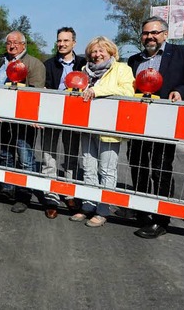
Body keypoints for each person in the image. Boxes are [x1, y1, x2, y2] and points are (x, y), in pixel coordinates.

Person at [127, 16, 184, 239]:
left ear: (165, 34)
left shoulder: (182, 54)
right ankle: (141, 210)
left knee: (160, 169)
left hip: (165, 122)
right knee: (137, 165)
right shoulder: (133, 60)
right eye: (145, 33)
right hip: (138, 123)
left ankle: (161, 219)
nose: (149, 37)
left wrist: (181, 91)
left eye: (154, 33)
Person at [69, 37, 135, 227]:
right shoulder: (84, 71)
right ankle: (88, 205)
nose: (97, 55)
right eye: (93, 52)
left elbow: (127, 91)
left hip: (109, 127)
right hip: (86, 126)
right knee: (88, 167)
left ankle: (103, 209)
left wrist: (98, 90)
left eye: (101, 51)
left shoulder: (122, 69)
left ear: (111, 52)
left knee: (107, 170)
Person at [0, 31, 46, 214]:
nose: (12, 45)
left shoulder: (34, 64)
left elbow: (36, 93)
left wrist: (30, 116)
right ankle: (8, 189)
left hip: (23, 121)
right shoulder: (2, 63)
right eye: (9, 42)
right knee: (5, 154)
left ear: (24, 44)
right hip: (2, 120)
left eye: (16, 42)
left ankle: (24, 194)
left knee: (25, 157)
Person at [42, 27, 87, 218]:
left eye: (66, 41)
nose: (62, 44)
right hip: (52, 115)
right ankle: (51, 196)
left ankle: (69, 194)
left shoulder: (84, 63)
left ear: (74, 43)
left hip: (74, 117)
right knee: (48, 156)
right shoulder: (49, 64)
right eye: (59, 41)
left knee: (71, 156)